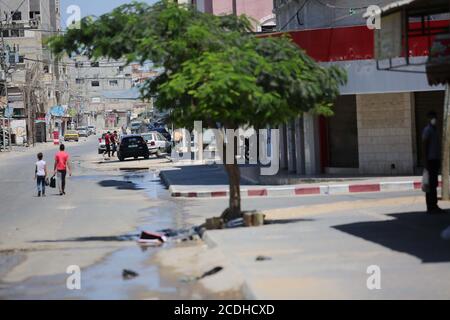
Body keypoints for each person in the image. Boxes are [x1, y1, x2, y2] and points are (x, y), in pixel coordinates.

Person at [422, 111, 444, 214]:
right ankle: (430, 206)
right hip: (430, 161)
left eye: (435, 117)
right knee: (430, 185)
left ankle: (434, 205)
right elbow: (424, 146)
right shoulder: (427, 130)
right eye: (432, 117)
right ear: (428, 118)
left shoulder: (435, 130)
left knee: (434, 184)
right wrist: (425, 161)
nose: (434, 119)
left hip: (435, 160)